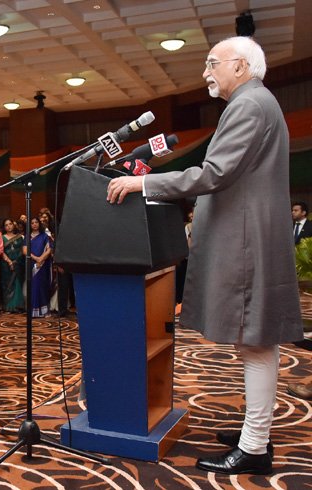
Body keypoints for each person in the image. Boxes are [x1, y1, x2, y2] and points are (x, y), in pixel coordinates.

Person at [106, 36, 303, 476]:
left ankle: (255, 445)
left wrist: (144, 184)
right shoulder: (256, 102)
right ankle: (257, 432)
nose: (206, 72)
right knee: (253, 338)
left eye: (213, 63)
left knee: (255, 339)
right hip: (248, 236)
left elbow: (215, 173)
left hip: (247, 241)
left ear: (242, 66)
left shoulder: (250, 104)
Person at [29, 217, 53, 318]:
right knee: (34, 287)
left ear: (39, 224)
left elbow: (49, 249)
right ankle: (34, 311)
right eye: (32, 223)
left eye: (36, 222)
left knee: (43, 286)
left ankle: (44, 311)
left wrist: (41, 259)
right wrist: (36, 259)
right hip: (32, 264)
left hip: (43, 266)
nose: (34, 224)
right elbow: (25, 250)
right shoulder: (27, 237)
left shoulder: (44, 236)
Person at [0, 218, 25, 313]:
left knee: (17, 284)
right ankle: (8, 307)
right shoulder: (1, 237)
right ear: (4, 227)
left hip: (18, 263)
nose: (8, 226)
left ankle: (18, 306)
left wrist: (15, 261)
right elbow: (1, 251)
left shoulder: (19, 237)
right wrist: (9, 262)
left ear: (13, 225)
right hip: (6, 264)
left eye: (10, 224)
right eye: (6, 225)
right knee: (7, 284)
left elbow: (22, 251)